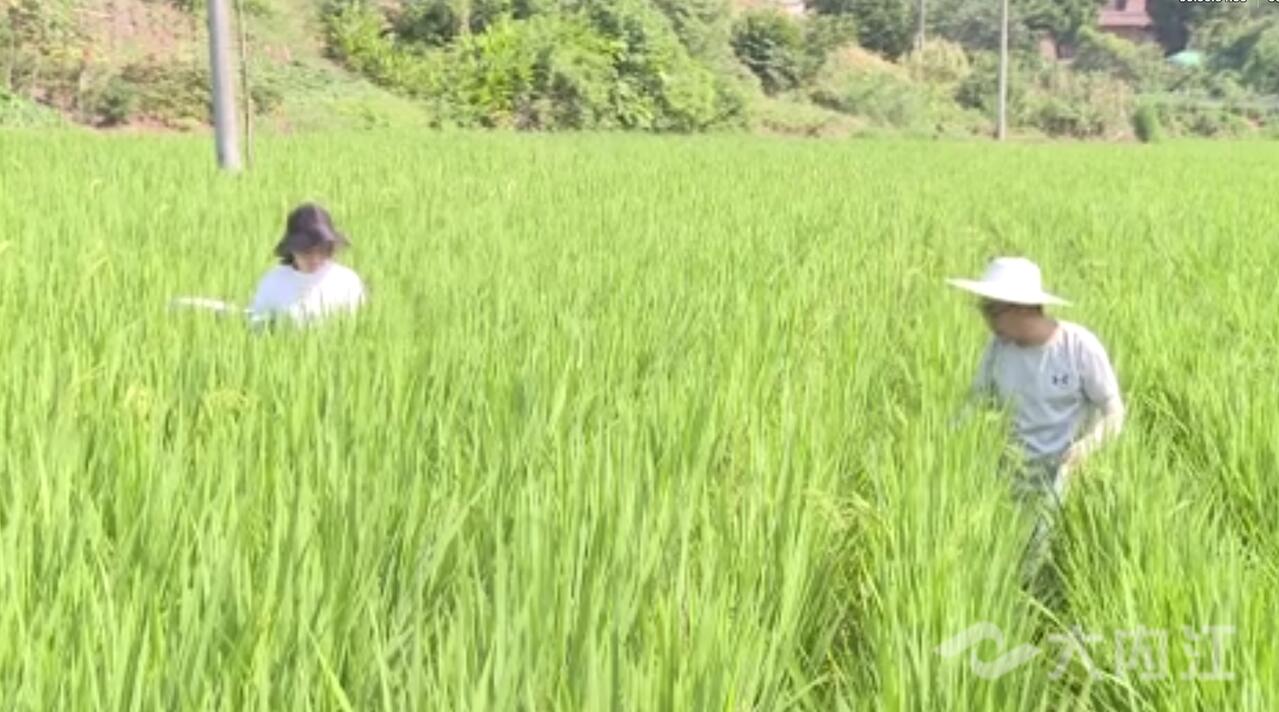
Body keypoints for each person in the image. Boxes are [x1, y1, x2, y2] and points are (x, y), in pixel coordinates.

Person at [947, 257, 1125, 590]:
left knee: (1050, 569)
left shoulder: (1078, 346)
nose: (986, 320)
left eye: (990, 310)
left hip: (1066, 481)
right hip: (1012, 483)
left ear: (1020, 307)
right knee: (1009, 570)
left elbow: (1114, 410)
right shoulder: (998, 350)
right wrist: (943, 445)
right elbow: (975, 404)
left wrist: (1089, 445)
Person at [247, 203, 366, 329]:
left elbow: (360, 325)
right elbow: (256, 323)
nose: (315, 259)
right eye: (306, 251)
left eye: (322, 251)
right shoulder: (274, 281)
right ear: (292, 249)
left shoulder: (346, 281)